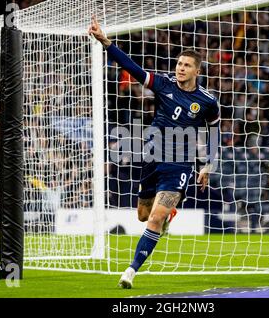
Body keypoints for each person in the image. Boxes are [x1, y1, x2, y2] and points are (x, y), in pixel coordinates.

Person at [88, 16, 220, 289]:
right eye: (179, 63)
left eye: (186, 65)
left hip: (180, 163)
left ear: (197, 71)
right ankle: (169, 213)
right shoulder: (164, 84)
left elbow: (215, 131)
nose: (180, 68)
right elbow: (132, 67)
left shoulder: (207, 102)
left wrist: (209, 164)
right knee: (143, 215)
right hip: (152, 157)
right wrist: (105, 42)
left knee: (156, 217)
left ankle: (130, 271)